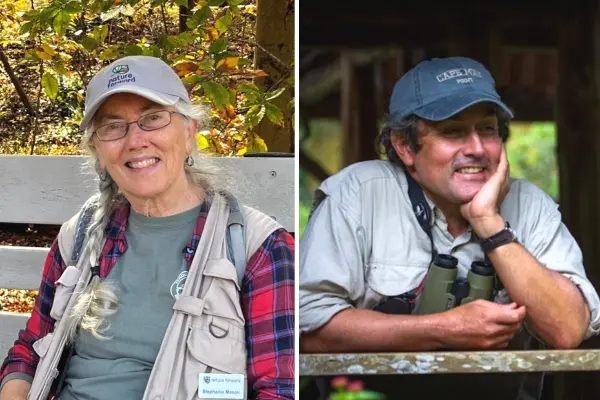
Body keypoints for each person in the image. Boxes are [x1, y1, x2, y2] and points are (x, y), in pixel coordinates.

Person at [299, 56, 600, 400]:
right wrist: (444, 330)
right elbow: (308, 326)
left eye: (487, 129)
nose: (475, 149)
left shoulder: (531, 207)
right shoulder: (358, 195)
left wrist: (490, 223)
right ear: (404, 146)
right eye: (453, 131)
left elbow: (568, 329)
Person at [0, 55, 295, 400]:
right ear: (97, 150)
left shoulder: (256, 247)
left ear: (189, 134)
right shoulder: (80, 237)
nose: (135, 140)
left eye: (153, 118)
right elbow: (29, 351)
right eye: (113, 126)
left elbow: (279, 390)